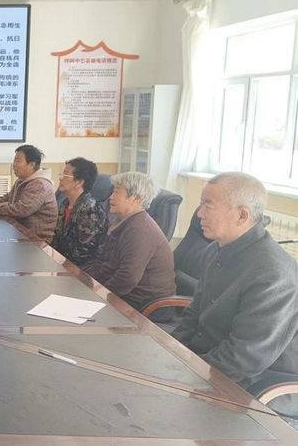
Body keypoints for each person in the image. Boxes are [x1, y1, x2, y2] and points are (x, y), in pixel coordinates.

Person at [171, 172, 298, 418]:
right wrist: (171, 352)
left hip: (257, 387)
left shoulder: (273, 273)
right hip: (210, 367)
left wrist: (184, 373)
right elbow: (194, 315)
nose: (199, 214)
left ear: (242, 215)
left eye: (208, 205)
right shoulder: (213, 251)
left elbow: (245, 358)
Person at [81, 172, 174, 312]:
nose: (111, 197)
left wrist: (97, 294)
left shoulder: (140, 230)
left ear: (136, 199)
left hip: (145, 306)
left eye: (116, 192)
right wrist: (83, 281)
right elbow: (102, 262)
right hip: (123, 295)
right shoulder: (122, 221)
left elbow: (126, 278)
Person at [0, 144, 57, 241]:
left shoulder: (39, 184)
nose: (14, 165)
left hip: (37, 240)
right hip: (20, 234)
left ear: (31, 165)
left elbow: (22, 210)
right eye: (14, 160)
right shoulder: (22, 180)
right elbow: (8, 198)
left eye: (18, 161)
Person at [51, 157, 108, 265]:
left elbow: (82, 253)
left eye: (65, 175)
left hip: (83, 269)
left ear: (79, 182)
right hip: (63, 263)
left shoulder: (90, 210)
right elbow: (57, 240)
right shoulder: (65, 204)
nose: (60, 178)